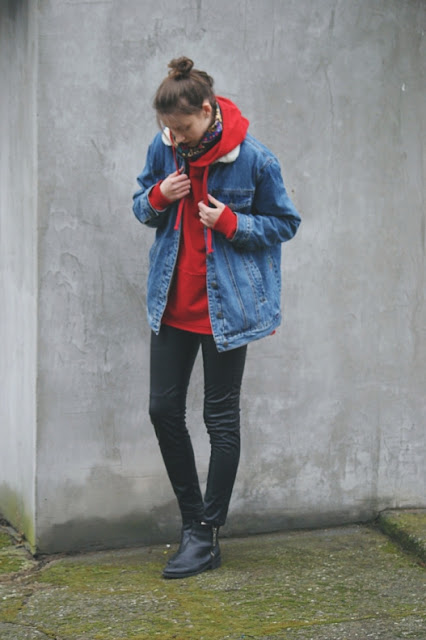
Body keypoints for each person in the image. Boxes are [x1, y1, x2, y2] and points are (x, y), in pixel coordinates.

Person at [132, 56, 301, 579]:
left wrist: (231, 222)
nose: (176, 138)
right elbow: (141, 206)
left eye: (183, 128)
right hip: (172, 304)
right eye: (169, 128)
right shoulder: (164, 148)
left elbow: (285, 223)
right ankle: (193, 522)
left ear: (207, 111)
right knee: (163, 410)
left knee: (219, 418)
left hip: (228, 310)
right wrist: (159, 195)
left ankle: (207, 533)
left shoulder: (254, 159)